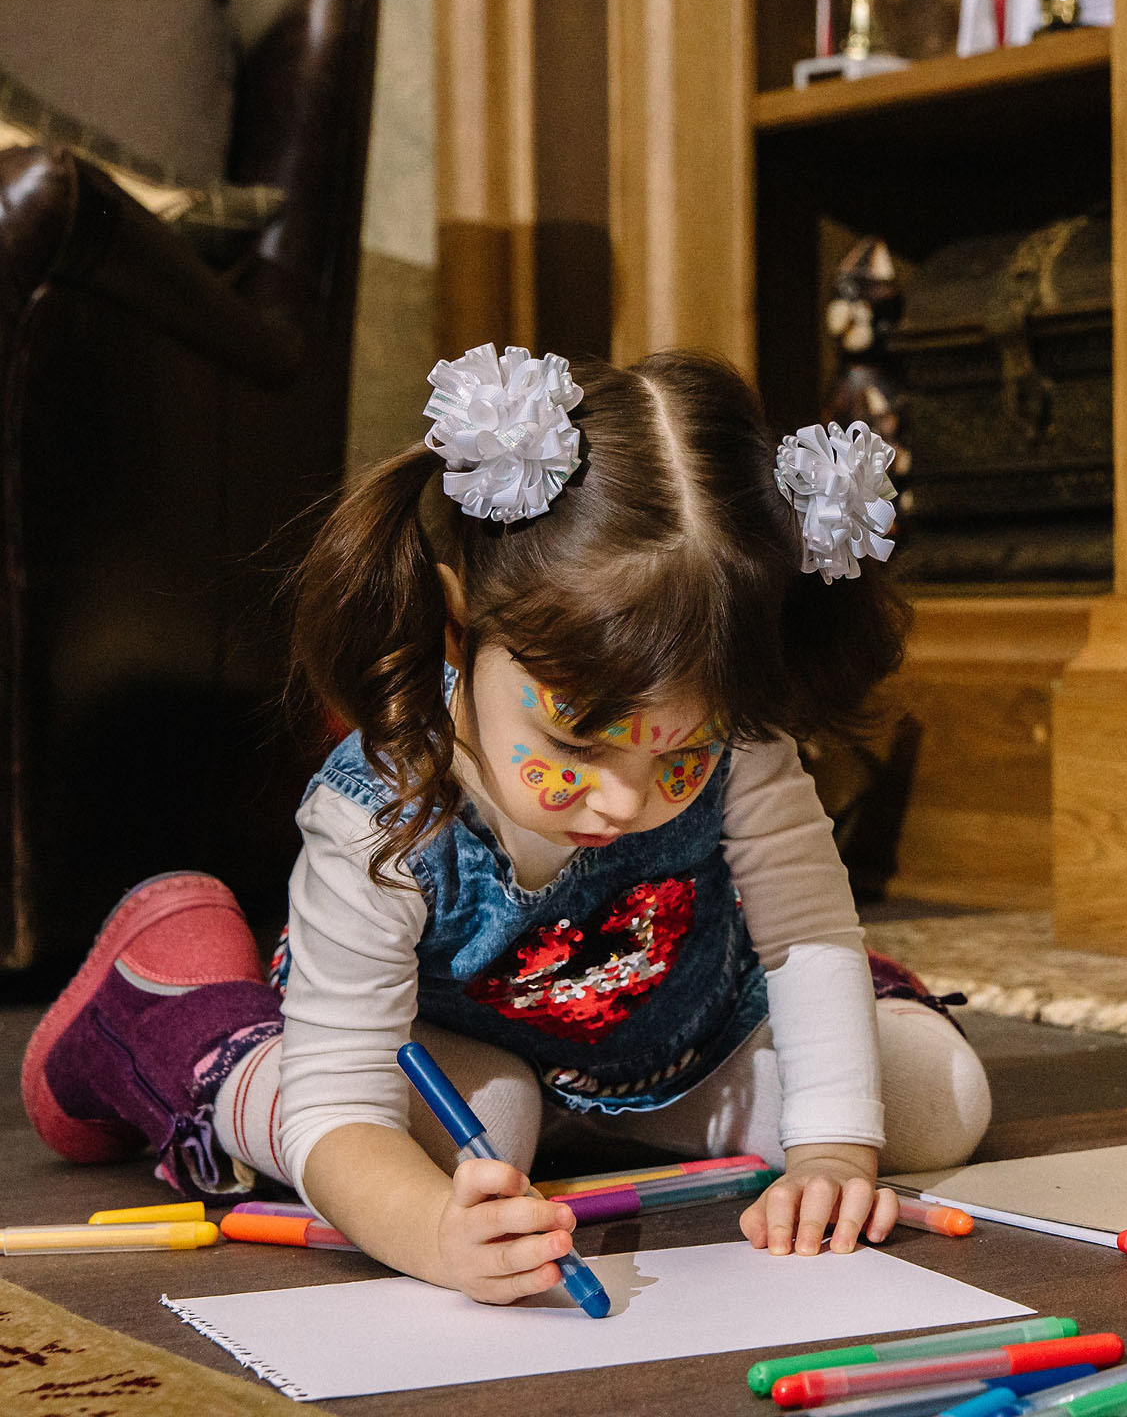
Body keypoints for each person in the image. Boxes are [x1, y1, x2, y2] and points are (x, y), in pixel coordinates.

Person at [22, 345, 992, 1304]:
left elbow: (808, 929)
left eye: (681, 753)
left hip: (671, 1032)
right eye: (575, 739)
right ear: (457, 628)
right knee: (488, 1127)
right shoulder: (378, 813)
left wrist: (831, 1149)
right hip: (434, 1050)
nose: (622, 799)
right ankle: (171, 1009)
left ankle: (612, 1108)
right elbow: (339, 1111)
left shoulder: (742, 732)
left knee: (939, 1096)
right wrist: (436, 1239)